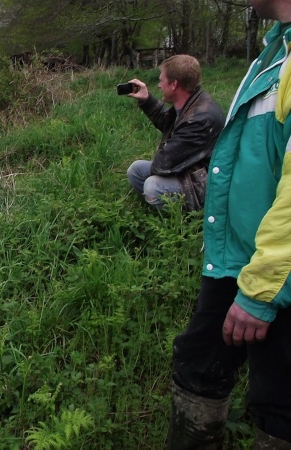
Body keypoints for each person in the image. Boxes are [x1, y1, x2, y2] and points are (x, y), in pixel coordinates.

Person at [168, 2, 291, 448]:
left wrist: (262, 289)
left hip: (271, 267)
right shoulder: (275, 49)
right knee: (199, 362)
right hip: (238, 254)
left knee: (279, 398)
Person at [124, 55, 224, 211]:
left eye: (161, 81)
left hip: (205, 182)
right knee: (136, 170)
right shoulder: (191, 102)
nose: (158, 85)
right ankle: (156, 211)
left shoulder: (198, 119)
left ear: (174, 84)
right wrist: (146, 99)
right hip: (190, 168)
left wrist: (160, 166)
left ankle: (184, 222)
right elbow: (167, 122)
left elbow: (163, 164)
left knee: (153, 186)